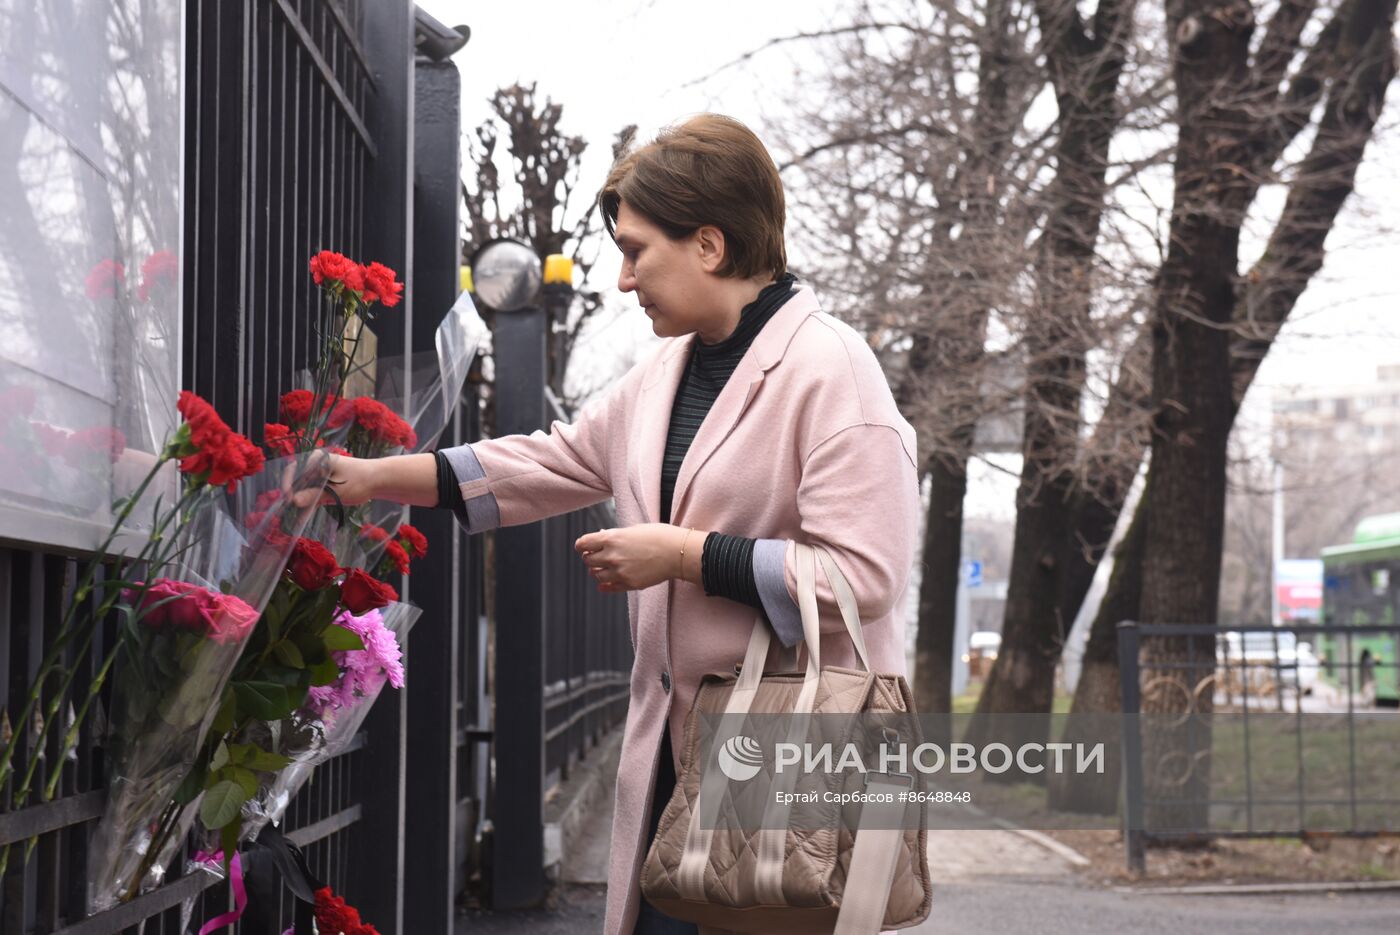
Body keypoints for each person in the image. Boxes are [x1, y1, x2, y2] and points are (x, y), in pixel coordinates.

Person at [296, 113, 920, 935]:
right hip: (671, 760)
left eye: (636, 251)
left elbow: (863, 578)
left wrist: (683, 554)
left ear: (709, 244)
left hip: (782, 762)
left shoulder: (833, 371)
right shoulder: (667, 371)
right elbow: (543, 462)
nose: (624, 280)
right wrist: (370, 475)